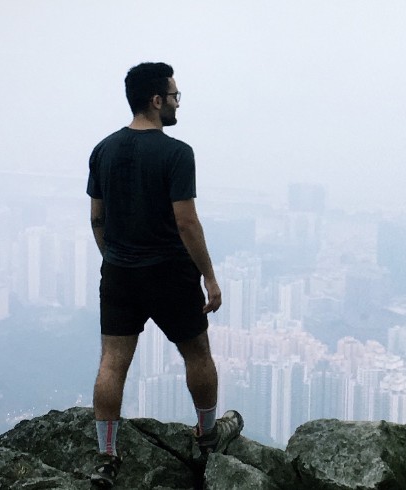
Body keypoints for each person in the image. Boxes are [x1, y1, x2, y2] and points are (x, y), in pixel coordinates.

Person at [85, 62, 243, 489]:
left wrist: (114, 257)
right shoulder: (177, 153)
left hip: (119, 272)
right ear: (156, 100)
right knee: (197, 354)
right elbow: (187, 222)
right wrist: (209, 276)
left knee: (112, 362)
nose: (177, 103)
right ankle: (209, 436)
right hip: (170, 274)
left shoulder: (103, 150)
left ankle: (106, 457)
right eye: (174, 96)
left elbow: (97, 218)